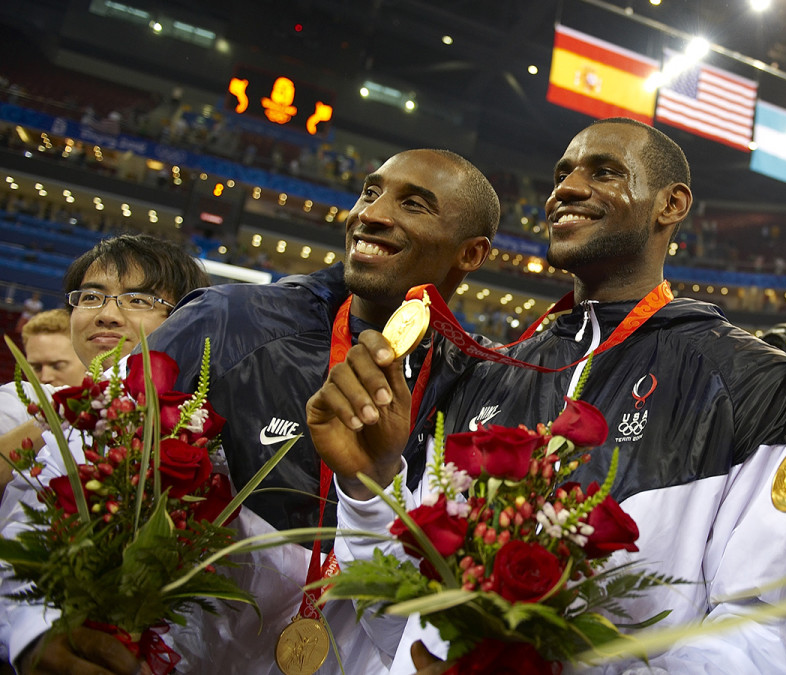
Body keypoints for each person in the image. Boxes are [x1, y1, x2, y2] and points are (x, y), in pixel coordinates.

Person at [308, 118, 786, 674]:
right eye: (562, 173)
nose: (565, 190)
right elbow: (401, 627)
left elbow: (763, 631)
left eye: (604, 172)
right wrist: (369, 490)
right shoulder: (490, 372)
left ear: (671, 205)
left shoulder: (748, 382)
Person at [131, 148, 497, 674]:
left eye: (414, 204)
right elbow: (79, 470)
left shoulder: (481, 387)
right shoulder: (227, 322)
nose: (370, 213)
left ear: (471, 254)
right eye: (370, 192)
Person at [0, 234, 210, 674]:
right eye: (91, 297)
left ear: (188, 317)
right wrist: (62, 412)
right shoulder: (17, 406)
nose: (108, 315)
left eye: (138, 299)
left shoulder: (203, 429)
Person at [0, 309, 87, 435]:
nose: (45, 377)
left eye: (57, 366)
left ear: (87, 363)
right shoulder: (15, 401)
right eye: (36, 367)